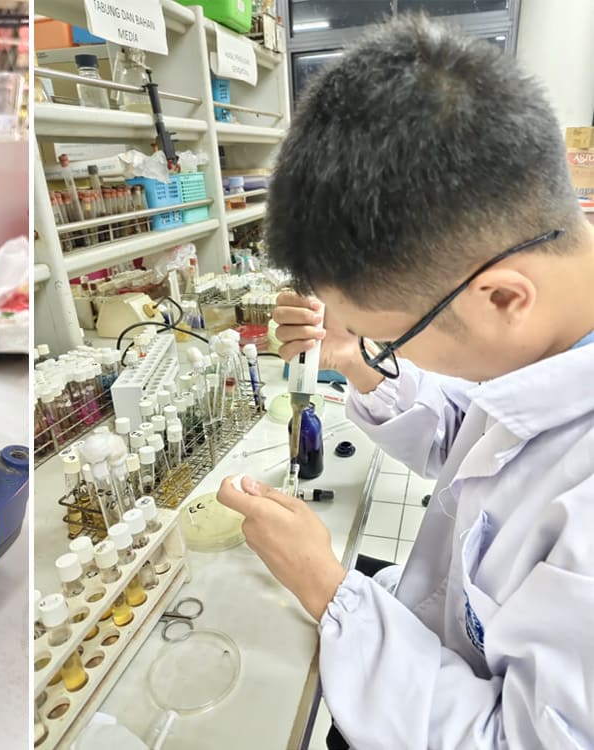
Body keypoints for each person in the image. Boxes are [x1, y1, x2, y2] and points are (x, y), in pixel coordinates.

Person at [216, 14, 594, 750]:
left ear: (501, 298)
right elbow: (484, 446)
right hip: (431, 627)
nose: (383, 348)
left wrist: (325, 586)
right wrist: (358, 356)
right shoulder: (553, 317)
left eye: (392, 337)